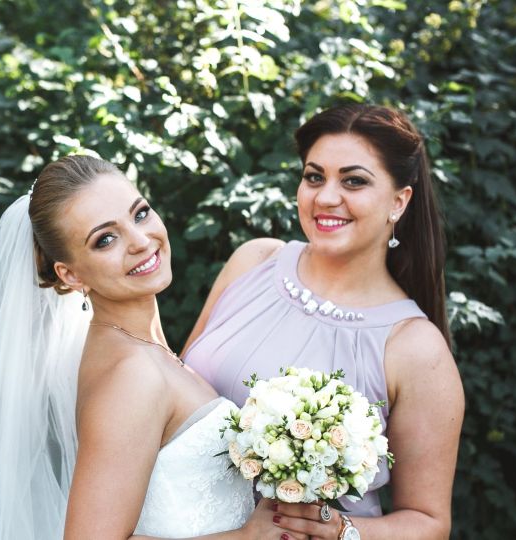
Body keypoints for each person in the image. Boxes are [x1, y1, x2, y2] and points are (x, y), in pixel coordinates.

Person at [0, 155, 305, 539]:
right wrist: (247, 538)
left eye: (141, 213)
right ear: (70, 274)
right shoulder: (132, 376)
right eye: (105, 239)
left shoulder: (134, 350)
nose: (140, 240)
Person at [181, 104, 465, 540]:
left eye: (353, 181)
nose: (326, 197)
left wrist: (339, 531)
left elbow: (429, 522)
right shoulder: (253, 261)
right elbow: (171, 395)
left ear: (398, 201)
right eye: (314, 177)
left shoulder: (415, 349)